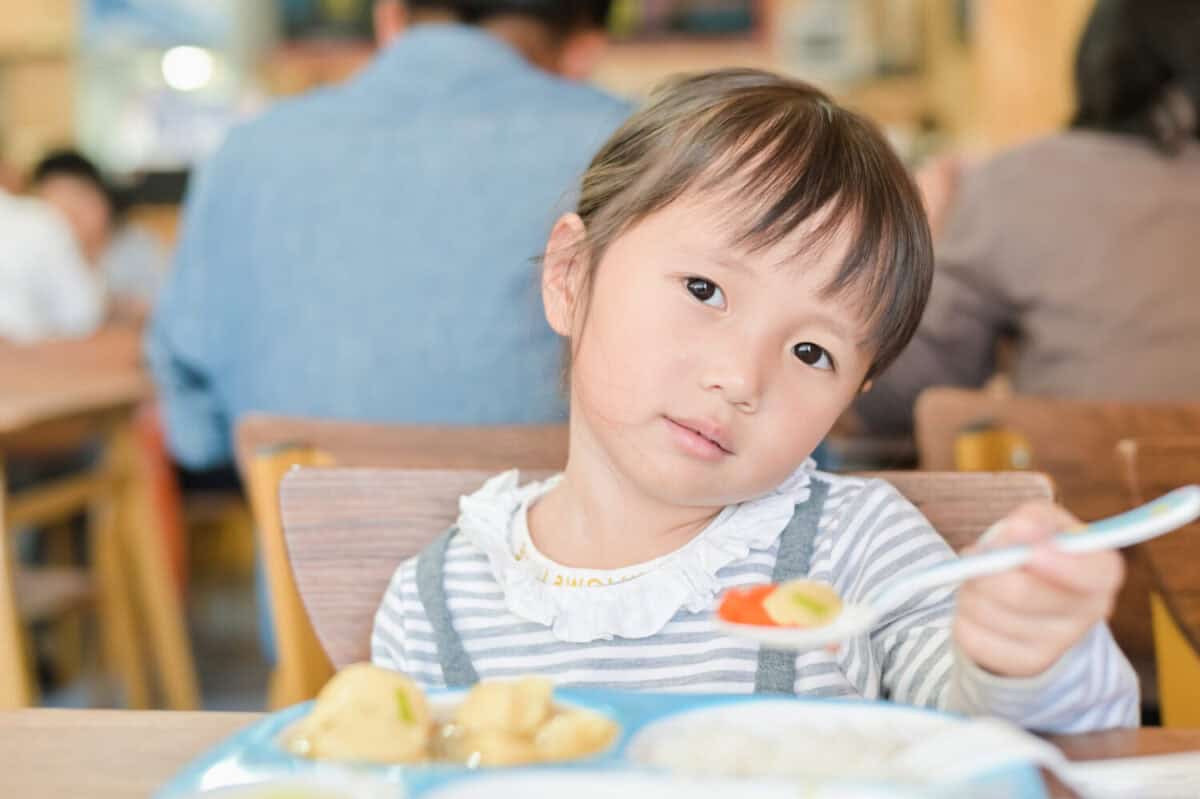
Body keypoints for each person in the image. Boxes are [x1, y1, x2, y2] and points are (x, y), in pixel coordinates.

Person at [370, 70, 1138, 733]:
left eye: (813, 352)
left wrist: (1022, 653)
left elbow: (996, 725)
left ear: (849, 396)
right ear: (571, 275)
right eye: (705, 290)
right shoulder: (437, 601)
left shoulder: (859, 551)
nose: (742, 377)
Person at [146, 0, 631, 472]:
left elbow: (193, 430)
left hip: (302, 548)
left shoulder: (245, 152)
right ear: (583, 44)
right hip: (566, 548)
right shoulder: (633, 146)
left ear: (391, 16)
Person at [853, 0, 1200, 436]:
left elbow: (894, 397)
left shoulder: (1018, 182)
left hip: (1076, 499)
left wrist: (914, 240)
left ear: (1098, 61)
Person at [31, 150, 168, 324]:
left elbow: (159, 310)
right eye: (60, 210)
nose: (72, 219)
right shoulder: (39, 257)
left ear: (103, 198)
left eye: (79, 202)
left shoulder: (138, 246)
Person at [0, 184, 104, 342]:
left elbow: (83, 315)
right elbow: (83, 315)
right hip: (30, 357)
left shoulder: (38, 221)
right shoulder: (38, 220)